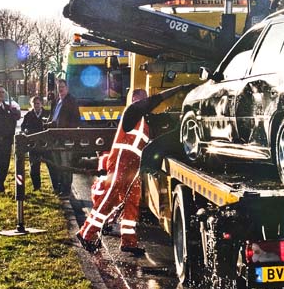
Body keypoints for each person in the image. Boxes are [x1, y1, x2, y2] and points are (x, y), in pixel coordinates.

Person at [77, 83, 196, 255]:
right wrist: (178, 88)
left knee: (132, 201)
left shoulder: (146, 121)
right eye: (141, 99)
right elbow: (153, 102)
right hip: (121, 159)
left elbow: (165, 118)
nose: (144, 102)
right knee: (109, 196)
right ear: (134, 100)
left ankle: (129, 242)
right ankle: (86, 233)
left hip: (135, 163)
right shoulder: (131, 112)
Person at [46, 78, 80, 196]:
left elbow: (76, 120)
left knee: (66, 165)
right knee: (57, 164)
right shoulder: (56, 101)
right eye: (58, 87)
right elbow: (53, 116)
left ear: (67, 88)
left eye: (62, 87)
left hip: (66, 138)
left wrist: (66, 130)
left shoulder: (71, 101)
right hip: (55, 137)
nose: (60, 89)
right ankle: (60, 187)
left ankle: (66, 190)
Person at [20, 95, 46, 190]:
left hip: (46, 144)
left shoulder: (47, 114)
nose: (36, 105)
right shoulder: (28, 115)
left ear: (42, 104)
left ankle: (56, 187)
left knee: (51, 166)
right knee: (34, 167)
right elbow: (23, 127)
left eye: (38, 103)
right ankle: (37, 186)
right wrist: (25, 131)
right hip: (33, 144)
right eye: (34, 103)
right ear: (32, 104)